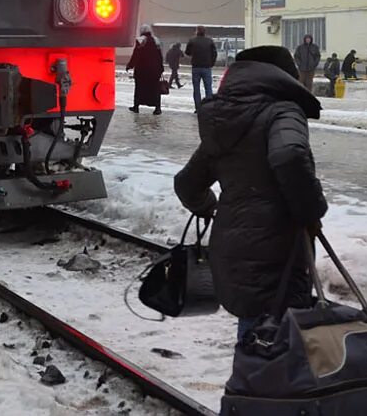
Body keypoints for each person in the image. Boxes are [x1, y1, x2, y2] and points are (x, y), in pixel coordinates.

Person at [174, 46, 327, 343]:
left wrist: (213, 208)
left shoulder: (227, 122)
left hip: (233, 245)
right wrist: (311, 212)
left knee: (255, 337)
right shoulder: (283, 110)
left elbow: (187, 184)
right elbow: (290, 156)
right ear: (284, 77)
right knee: (278, 341)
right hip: (278, 246)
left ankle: (249, 386)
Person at [126, 24, 164, 115]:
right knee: (155, 89)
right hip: (155, 70)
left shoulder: (140, 40)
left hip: (142, 69)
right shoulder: (156, 41)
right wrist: (161, 67)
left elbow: (136, 55)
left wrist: (130, 65)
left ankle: (136, 107)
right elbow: (159, 56)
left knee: (139, 88)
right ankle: (157, 108)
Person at [185, 25, 218, 111]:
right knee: (208, 88)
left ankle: (198, 108)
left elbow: (187, 52)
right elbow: (214, 53)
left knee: (196, 88)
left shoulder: (192, 40)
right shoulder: (210, 41)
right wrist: (211, 63)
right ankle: (209, 107)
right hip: (207, 67)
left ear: (197, 31)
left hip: (196, 67)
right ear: (205, 32)